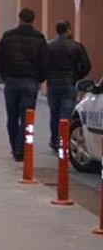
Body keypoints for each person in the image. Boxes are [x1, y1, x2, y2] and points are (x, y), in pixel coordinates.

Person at [0, 7, 48, 162]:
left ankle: (15, 147)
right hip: (30, 81)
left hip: (11, 80)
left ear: (20, 19)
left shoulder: (8, 36)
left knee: (12, 116)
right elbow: (45, 62)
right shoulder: (39, 38)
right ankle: (21, 148)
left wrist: (5, 75)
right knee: (27, 117)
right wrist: (39, 78)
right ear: (33, 20)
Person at [45, 20, 93, 151]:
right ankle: (63, 142)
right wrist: (76, 76)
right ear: (68, 30)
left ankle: (55, 141)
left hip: (53, 84)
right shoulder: (77, 46)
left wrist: (48, 76)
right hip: (69, 84)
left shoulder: (49, 46)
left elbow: (43, 64)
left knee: (54, 114)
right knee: (66, 115)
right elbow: (87, 65)